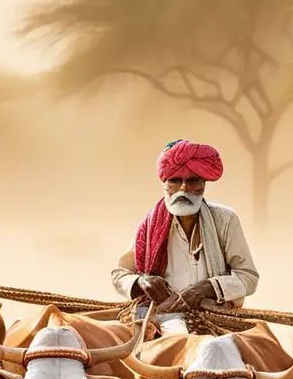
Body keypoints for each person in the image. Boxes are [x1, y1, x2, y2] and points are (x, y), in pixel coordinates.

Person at [111, 139, 259, 334]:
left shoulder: (224, 219)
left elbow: (248, 277)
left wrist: (207, 288)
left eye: (192, 181)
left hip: (214, 316)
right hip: (159, 318)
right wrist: (142, 282)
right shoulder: (149, 225)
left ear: (203, 184)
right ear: (165, 184)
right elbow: (119, 274)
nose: (183, 189)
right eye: (175, 180)